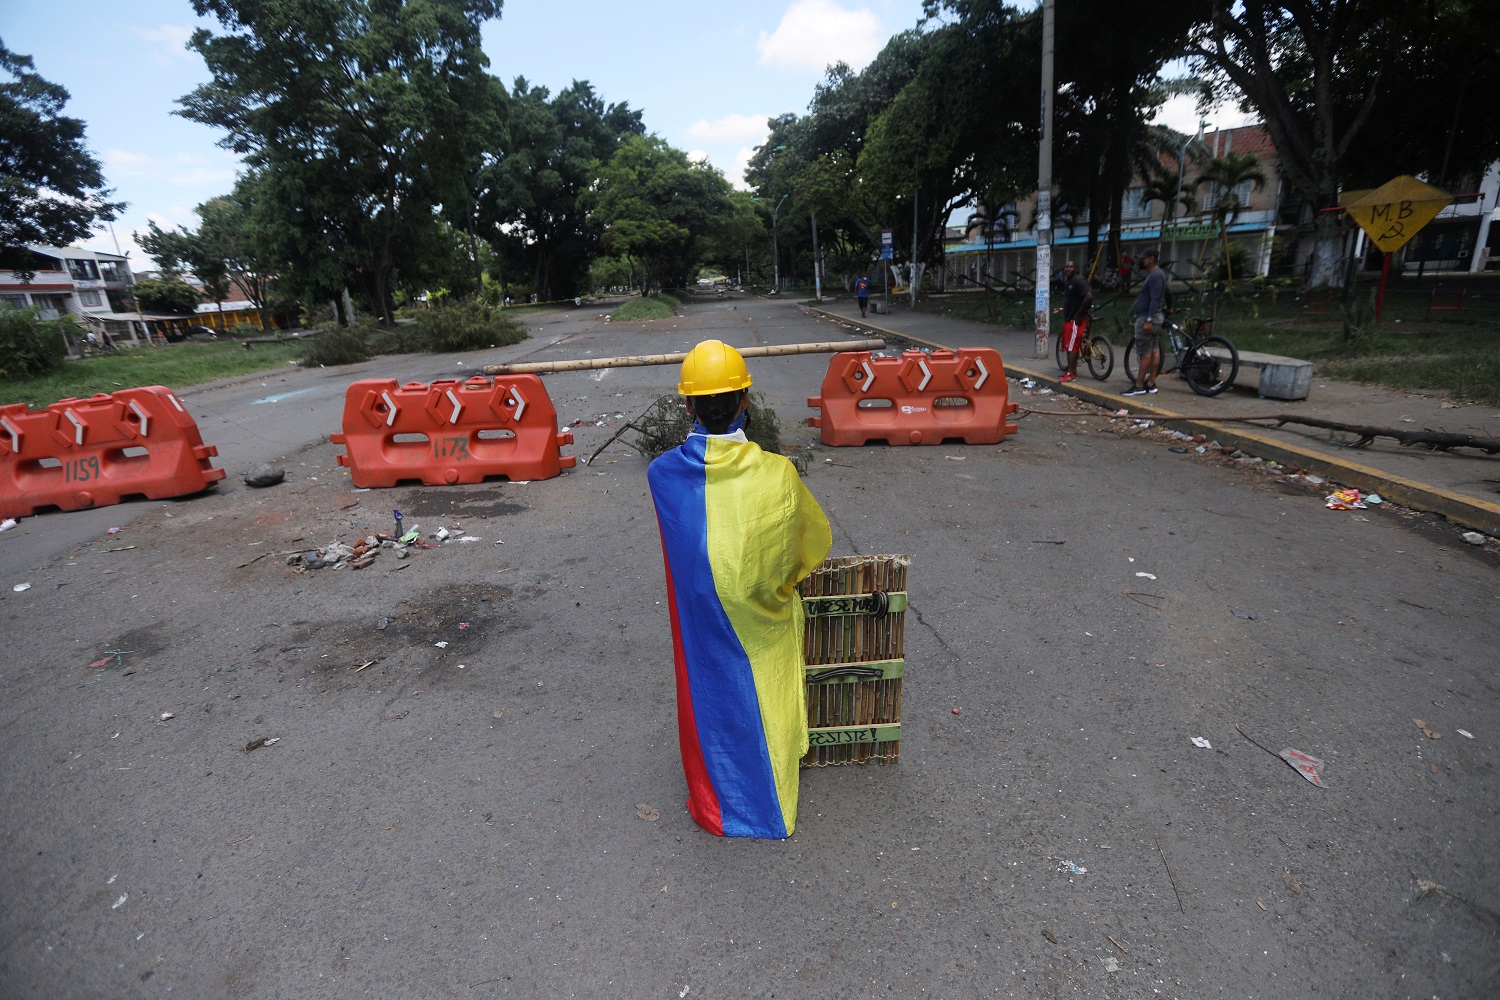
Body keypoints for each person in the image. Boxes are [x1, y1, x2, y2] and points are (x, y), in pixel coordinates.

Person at [647, 340, 833, 839]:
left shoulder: (662, 476)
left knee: (711, 694)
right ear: (745, 400)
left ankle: (719, 799)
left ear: (687, 405)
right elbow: (808, 547)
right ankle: (769, 789)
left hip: (701, 623)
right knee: (764, 691)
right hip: (763, 618)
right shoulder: (779, 476)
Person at [1125, 248, 1167, 396]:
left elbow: (1155, 299)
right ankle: (1151, 383)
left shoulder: (1155, 275)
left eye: (1144, 258)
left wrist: (1148, 320)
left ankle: (1139, 385)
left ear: (1151, 259)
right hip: (1155, 317)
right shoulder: (1158, 274)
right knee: (1154, 350)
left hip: (1149, 318)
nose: (1141, 261)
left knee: (1145, 353)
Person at [1058, 259, 1093, 383]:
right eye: (1066, 267)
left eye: (1071, 267)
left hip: (1075, 319)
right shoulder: (1069, 282)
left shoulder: (1078, 280)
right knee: (1069, 346)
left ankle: (1071, 373)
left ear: (1076, 269)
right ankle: (1071, 371)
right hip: (1069, 318)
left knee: (1072, 347)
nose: (1068, 269)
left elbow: (1088, 296)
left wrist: (1078, 314)